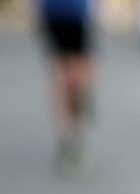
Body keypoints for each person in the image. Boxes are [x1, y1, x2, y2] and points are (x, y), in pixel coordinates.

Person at [37, 0, 97, 174]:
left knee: (63, 75)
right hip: (73, 13)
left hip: (55, 13)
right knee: (74, 75)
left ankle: (68, 137)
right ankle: (73, 137)